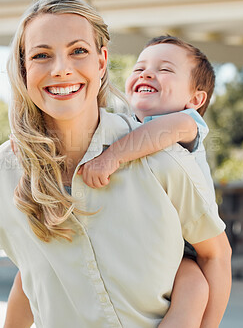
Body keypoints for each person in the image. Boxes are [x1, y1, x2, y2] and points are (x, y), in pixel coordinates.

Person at [0, 0, 231, 328]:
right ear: (23, 69)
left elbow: (215, 255)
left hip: (183, 271)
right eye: (41, 55)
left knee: (192, 282)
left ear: (101, 62)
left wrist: (111, 158)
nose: (60, 69)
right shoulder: (0, 172)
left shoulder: (163, 156)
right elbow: (30, 276)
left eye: (78, 51)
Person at [77, 35, 224, 327]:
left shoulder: (187, 123)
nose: (146, 73)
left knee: (194, 288)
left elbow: (159, 133)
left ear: (194, 100)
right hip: (146, 238)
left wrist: (112, 157)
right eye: (139, 67)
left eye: (165, 69)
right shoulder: (122, 124)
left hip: (188, 243)